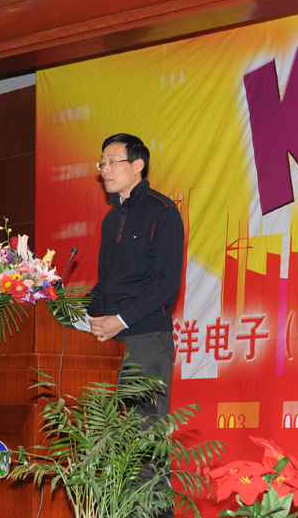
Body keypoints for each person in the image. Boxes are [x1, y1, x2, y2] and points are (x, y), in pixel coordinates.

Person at [87, 132, 184, 421]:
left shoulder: (163, 211)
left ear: (137, 165)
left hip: (146, 338)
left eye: (112, 161)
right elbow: (105, 283)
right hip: (107, 341)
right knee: (105, 431)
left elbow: (166, 284)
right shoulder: (110, 220)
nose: (104, 169)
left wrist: (121, 320)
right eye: (102, 163)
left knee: (143, 432)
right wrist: (72, 313)